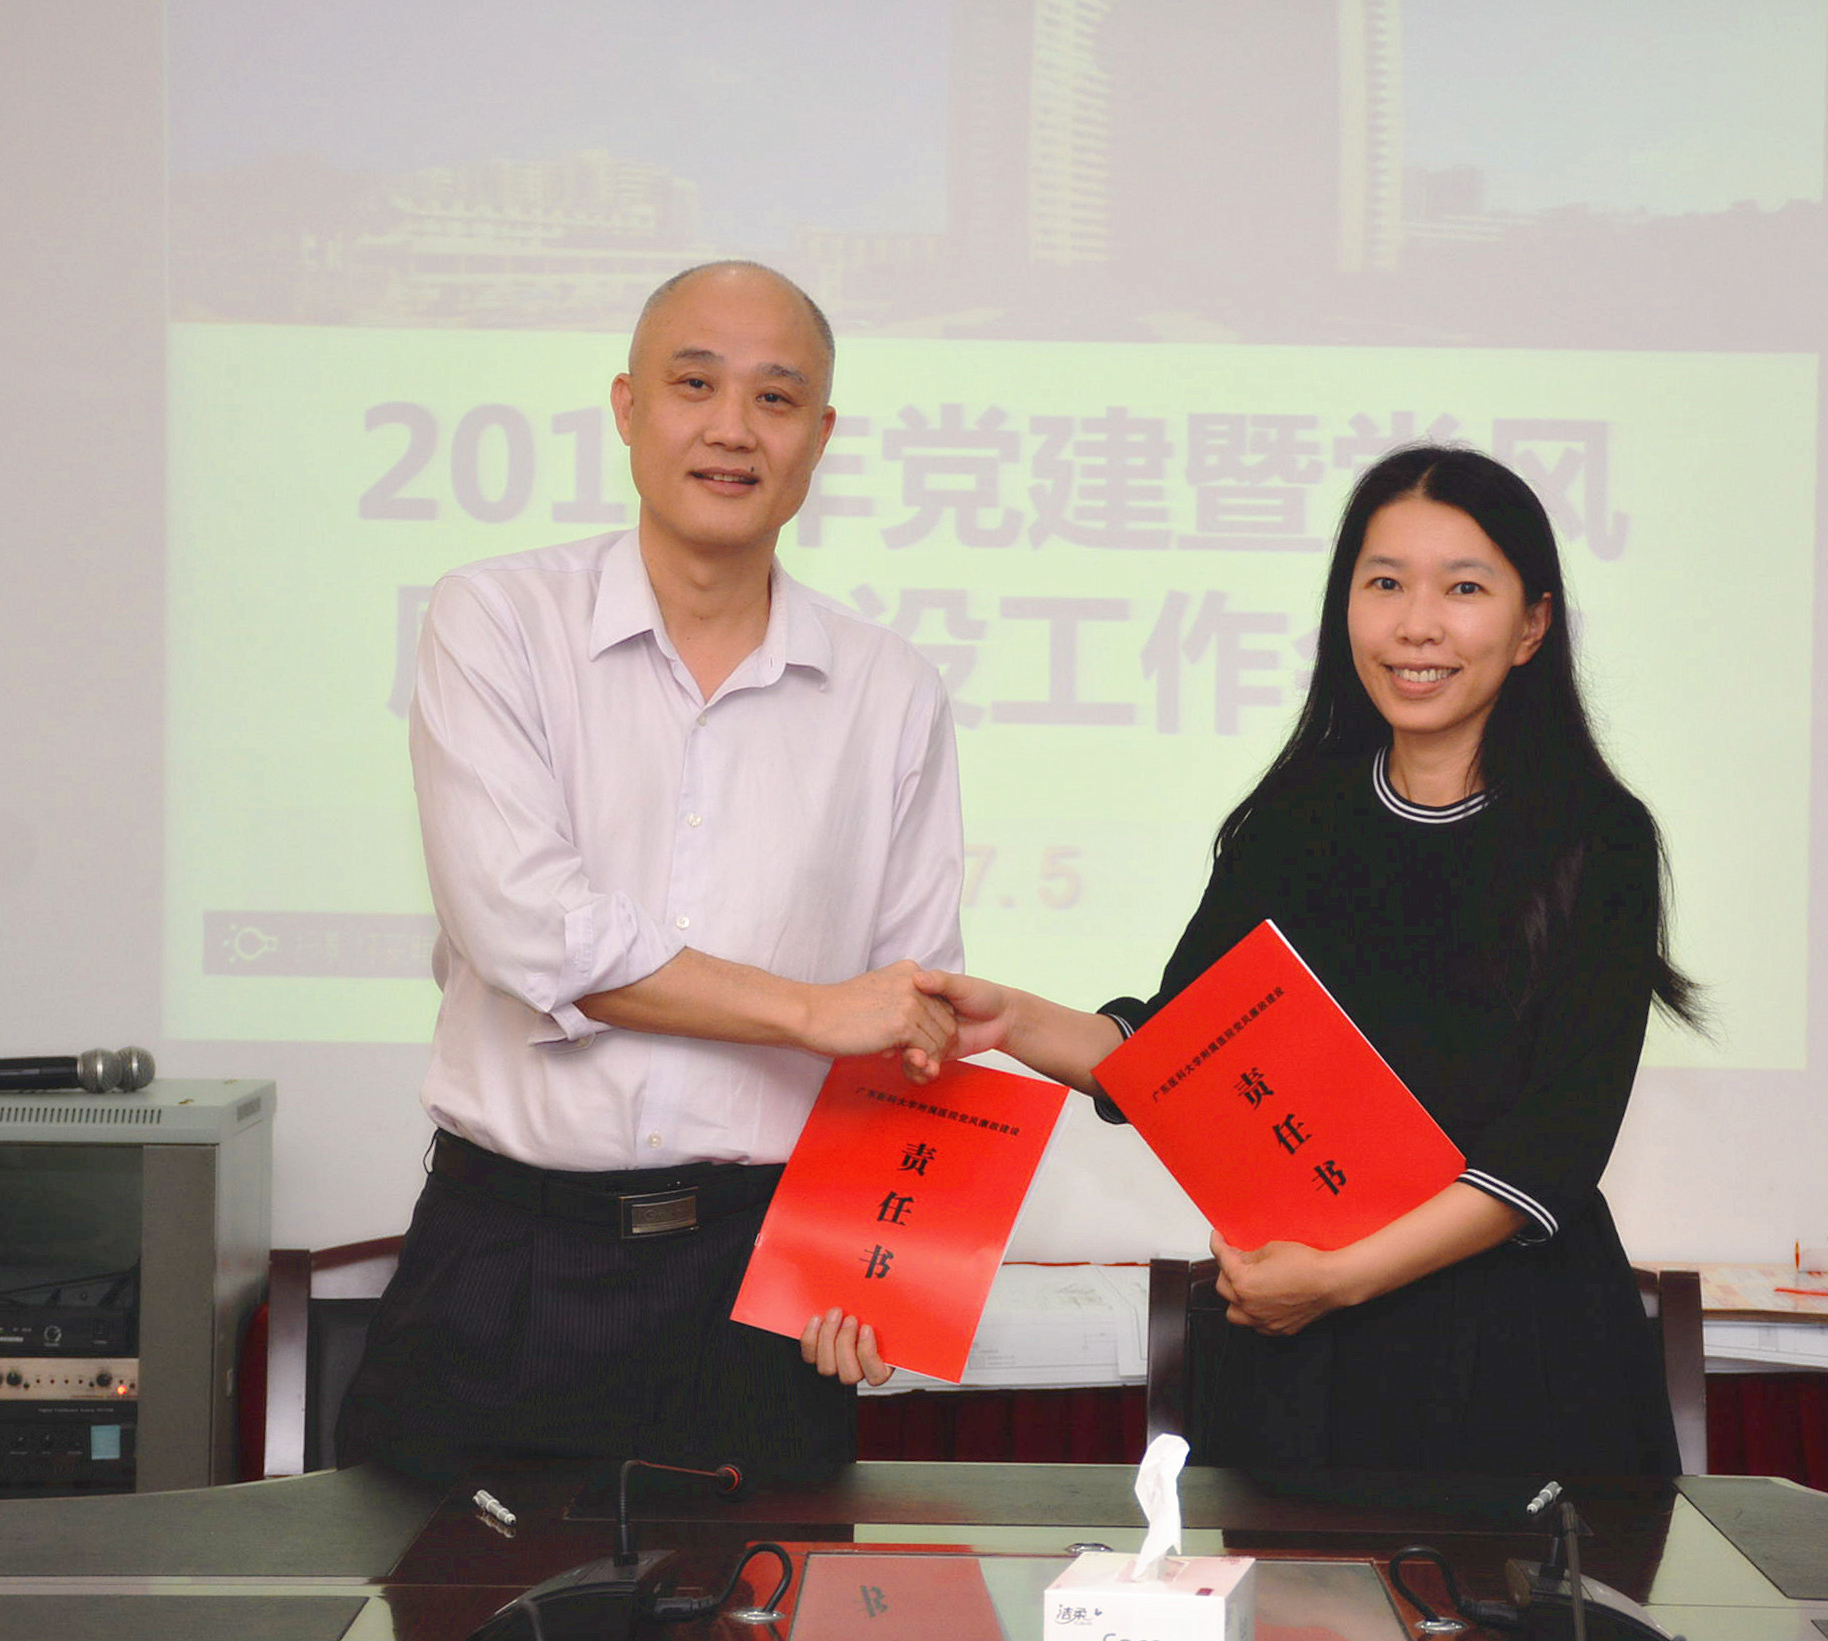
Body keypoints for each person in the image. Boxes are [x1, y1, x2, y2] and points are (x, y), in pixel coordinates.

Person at [921, 445, 1701, 1475]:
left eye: (1464, 588)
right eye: (1385, 584)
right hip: (1307, 1357)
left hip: (1516, 1359)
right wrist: (1011, 1020)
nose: (1416, 625)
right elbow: (1178, 1053)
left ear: (1531, 627)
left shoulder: (1595, 839)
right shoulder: (1296, 820)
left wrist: (1341, 1279)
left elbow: (1553, 1150)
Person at [337, 262, 958, 1482]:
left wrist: (871, 1267)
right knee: (450, 1584)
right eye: (694, 385)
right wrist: (809, 1011)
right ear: (628, 408)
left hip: (761, 1281)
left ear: (822, 437)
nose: (733, 429)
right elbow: (529, 932)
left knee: (767, 1586)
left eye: (776, 398)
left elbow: (911, 1011)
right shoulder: (496, 620)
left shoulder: (890, 689)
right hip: (509, 1257)